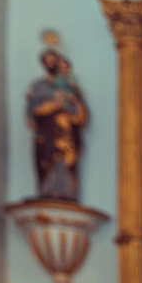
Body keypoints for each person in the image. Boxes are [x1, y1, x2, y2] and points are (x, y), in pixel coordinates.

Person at [27, 49, 88, 200]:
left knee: (66, 162)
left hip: (67, 132)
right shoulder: (38, 86)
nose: (52, 64)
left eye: (54, 60)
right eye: (48, 61)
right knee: (46, 160)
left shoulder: (71, 86)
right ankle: (46, 191)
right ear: (43, 64)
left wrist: (74, 102)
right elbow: (32, 113)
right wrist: (53, 105)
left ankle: (67, 193)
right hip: (47, 132)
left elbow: (82, 115)